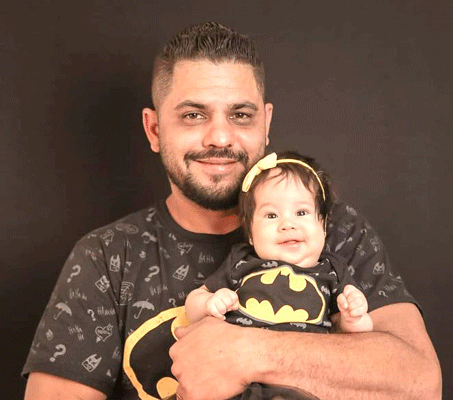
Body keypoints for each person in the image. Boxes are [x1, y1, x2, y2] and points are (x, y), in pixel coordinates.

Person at [22, 22, 441, 400]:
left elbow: (422, 384)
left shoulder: (332, 228)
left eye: (241, 115)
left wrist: (246, 353)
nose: (220, 137)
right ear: (154, 129)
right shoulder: (107, 256)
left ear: (266, 123)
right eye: (193, 115)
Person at [186, 151, 373, 336]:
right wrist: (209, 303)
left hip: (309, 354)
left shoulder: (333, 271)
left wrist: (354, 318)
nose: (287, 224)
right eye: (271, 215)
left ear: (323, 226)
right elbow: (193, 304)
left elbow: (353, 332)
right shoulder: (240, 261)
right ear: (250, 234)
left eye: (301, 212)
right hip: (242, 351)